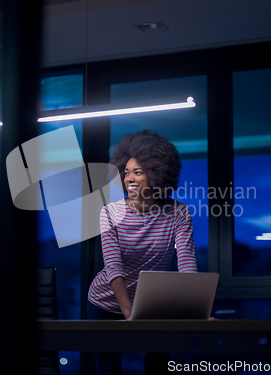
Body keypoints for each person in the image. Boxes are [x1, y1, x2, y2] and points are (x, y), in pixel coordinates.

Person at [87, 129, 198, 374]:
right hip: (105, 303)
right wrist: (129, 313)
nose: (129, 179)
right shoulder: (110, 212)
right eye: (126, 173)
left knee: (158, 365)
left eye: (138, 172)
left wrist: (195, 313)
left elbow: (186, 264)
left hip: (152, 307)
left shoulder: (179, 213)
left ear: (158, 174)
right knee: (109, 370)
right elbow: (113, 267)